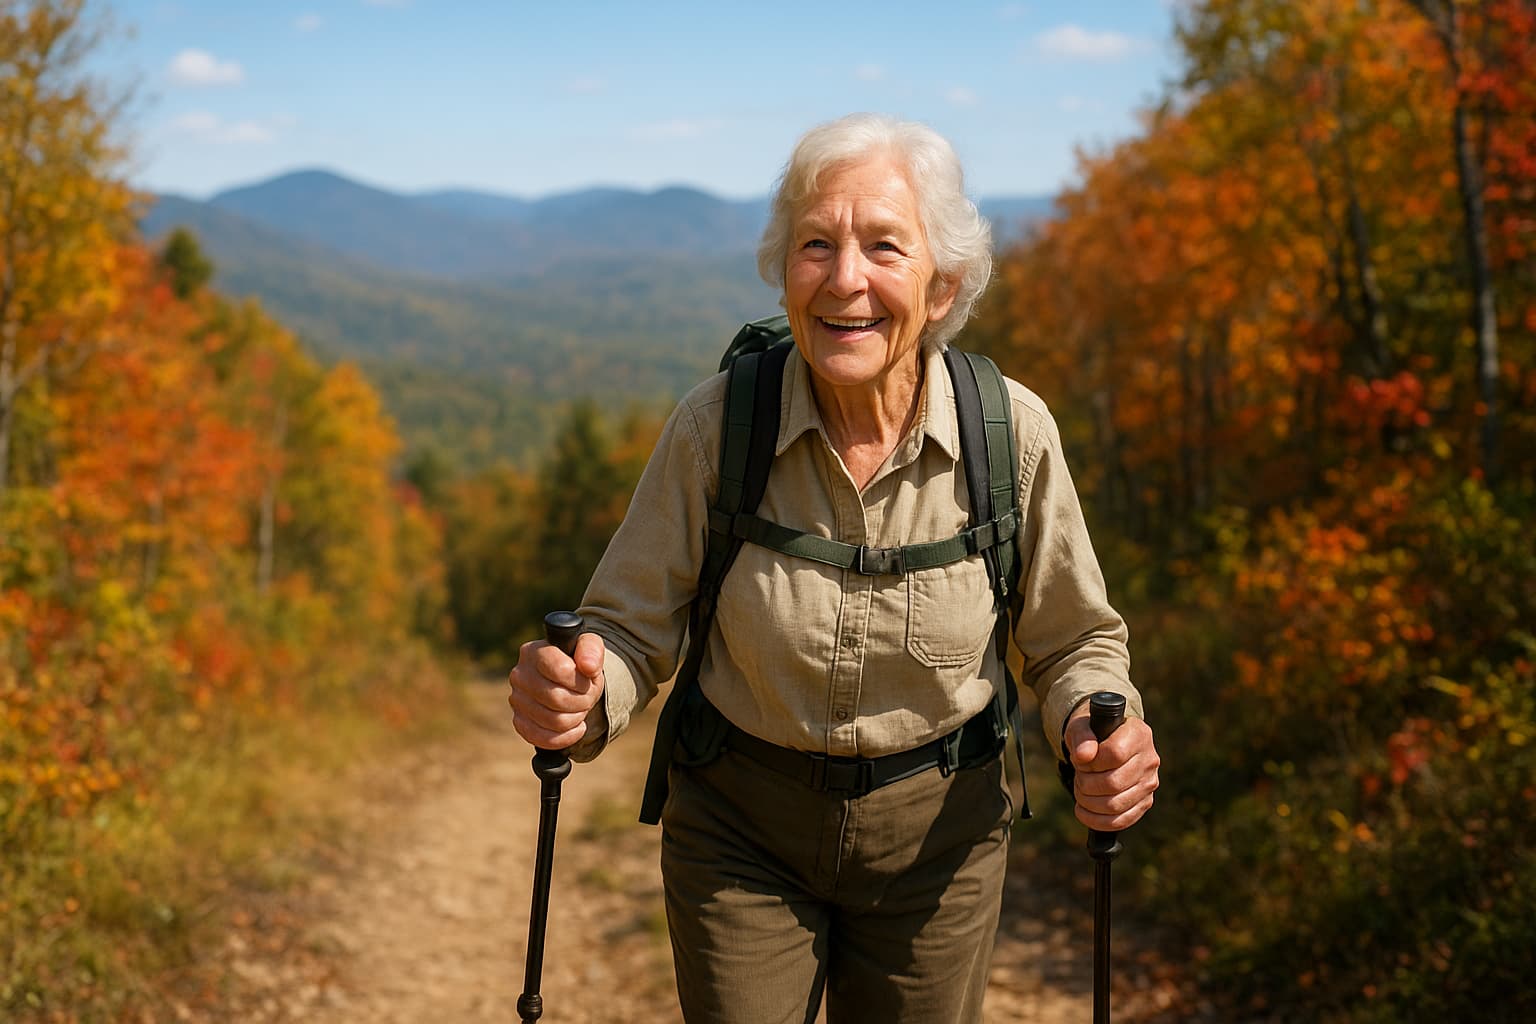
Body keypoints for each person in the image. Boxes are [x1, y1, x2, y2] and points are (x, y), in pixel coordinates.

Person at [507, 112, 1161, 1024]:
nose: (844, 277)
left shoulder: (1009, 437)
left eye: (885, 247)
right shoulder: (716, 429)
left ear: (943, 286)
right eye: (816, 244)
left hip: (940, 846)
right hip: (742, 835)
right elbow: (625, 628)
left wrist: (1106, 726)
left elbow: (1073, 643)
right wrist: (579, 698)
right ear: (784, 272)